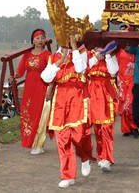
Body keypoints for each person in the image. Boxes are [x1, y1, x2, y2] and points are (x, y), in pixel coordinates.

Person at [41, 35, 95, 188]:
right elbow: (45, 77)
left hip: (77, 97)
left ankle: (85, 157)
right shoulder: (53, 58)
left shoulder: (81, 52)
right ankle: (68, 175)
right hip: (60, 99)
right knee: (62, 138)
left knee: (79, 136)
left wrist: (74, 49)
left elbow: (81, 68)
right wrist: (59, 62)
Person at [11, 29, 52, 153]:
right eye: (37, 38)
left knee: (41, 115)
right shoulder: (27, 55)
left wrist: (50, 88)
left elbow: (52, 73)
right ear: (33, 40)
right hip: (29, 89)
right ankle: (30, 141)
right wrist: (15, 76)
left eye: (42, 38)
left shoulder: (48, 55)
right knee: (27, 114)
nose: (40, 40)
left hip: (42, 88)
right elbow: (21, 71)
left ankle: (38, 144)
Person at [86, 46, 119, 171]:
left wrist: (108, 55)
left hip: (106, 92)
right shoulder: (88, 54)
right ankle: (100, 156)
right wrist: (96, 57)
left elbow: (113, 71)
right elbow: (83, 69)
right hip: (92, 92)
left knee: (106, 126)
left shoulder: (111, 55)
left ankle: (106, 157)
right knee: (97, 127)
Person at [115, 47, 139, 138]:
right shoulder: (119, 48)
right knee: (123, 103)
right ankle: (126, 129)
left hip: (132, 80)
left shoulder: (136, 49)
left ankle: (134, 126)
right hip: (121, 80)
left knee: (129, 104)